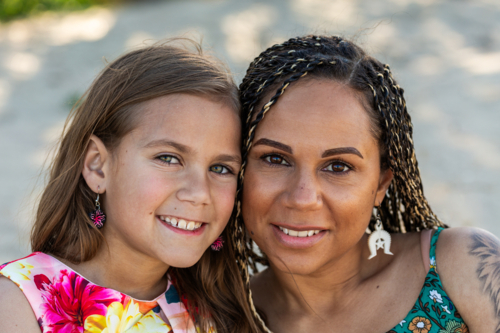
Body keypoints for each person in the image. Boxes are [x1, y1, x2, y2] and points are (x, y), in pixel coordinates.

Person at [230, 35, 500, 332]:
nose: (302, 198)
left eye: (338, 166)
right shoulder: (221, 318)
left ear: (381, 184)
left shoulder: (461, 265)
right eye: (275, 159)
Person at [0, 40, 262, 333]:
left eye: (220, 168)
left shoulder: (222, 312)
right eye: (169, 158)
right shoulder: (19, 303)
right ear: (98, 166)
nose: (200, 193)